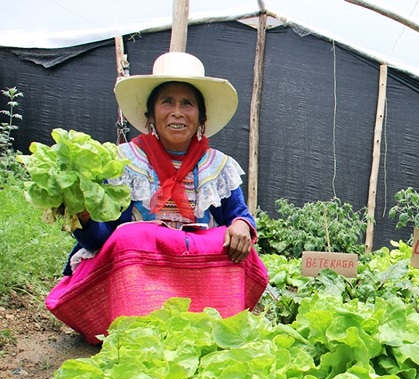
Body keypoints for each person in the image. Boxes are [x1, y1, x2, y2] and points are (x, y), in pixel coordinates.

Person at [45, 52, 268, 344]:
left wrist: (240, 224)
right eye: (167, 102)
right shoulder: (123, 163)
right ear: (150, 115)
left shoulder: (219, 166)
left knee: (231, 243)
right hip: (140, 275)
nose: (177, 112)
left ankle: (212, 326)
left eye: (187, 103)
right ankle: (136, 328)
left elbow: (239, 213)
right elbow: (102, 241)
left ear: (201, 117)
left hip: (196, 272)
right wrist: (82, 216)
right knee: (131, 238)